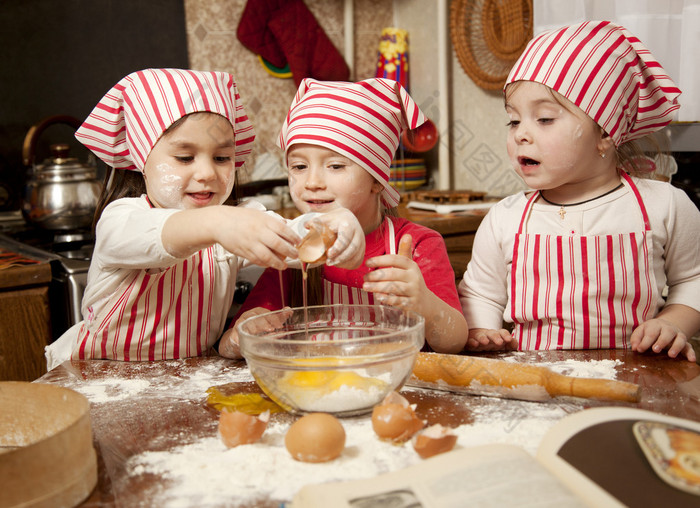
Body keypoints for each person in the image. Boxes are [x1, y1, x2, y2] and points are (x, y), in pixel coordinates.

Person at [44, 68, 365, 368]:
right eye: (185, 157)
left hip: (191, 379)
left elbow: (291, 238)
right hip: (97, 377)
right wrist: (218, 222)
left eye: (222, 157)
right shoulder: (122, 219)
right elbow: (160, 234)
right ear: (142, 157)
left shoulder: (235, 218)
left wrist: (333, 224)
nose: (208, 173)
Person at [458, 21, 700, 361]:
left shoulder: (664, 206)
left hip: (643, 375)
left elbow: (694, 280)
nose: (521, 134)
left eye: (544, 118)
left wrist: (674, 322)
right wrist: (482, 331)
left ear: (604, 132)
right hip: (536, 381)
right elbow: (480, 294)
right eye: (514, 120)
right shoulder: (505, 219)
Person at [219, 78, 469, 355]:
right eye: (299, 166)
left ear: (377, 180)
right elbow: (230, 343)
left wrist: (424, 302)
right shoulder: (292, 250)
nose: (312, 182)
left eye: (336, 165)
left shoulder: (417, 244)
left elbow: (454, 341)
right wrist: (241, 336)